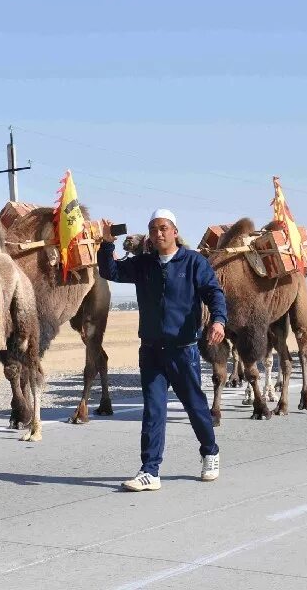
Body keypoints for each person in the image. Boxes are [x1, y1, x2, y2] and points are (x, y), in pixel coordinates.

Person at [98, 209, 227, 492]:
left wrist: (218, 320)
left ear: (175, 231)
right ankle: (150, 471)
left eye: (163, 228)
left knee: (195, 406)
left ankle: (210, 452)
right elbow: (110, 271)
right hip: (152, 351)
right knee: (153, 410)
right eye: (153, 229)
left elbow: (213, 293)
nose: (158, 233)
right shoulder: (143, 264)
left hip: (183, 350)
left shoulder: (193, 263)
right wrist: (107, 244)